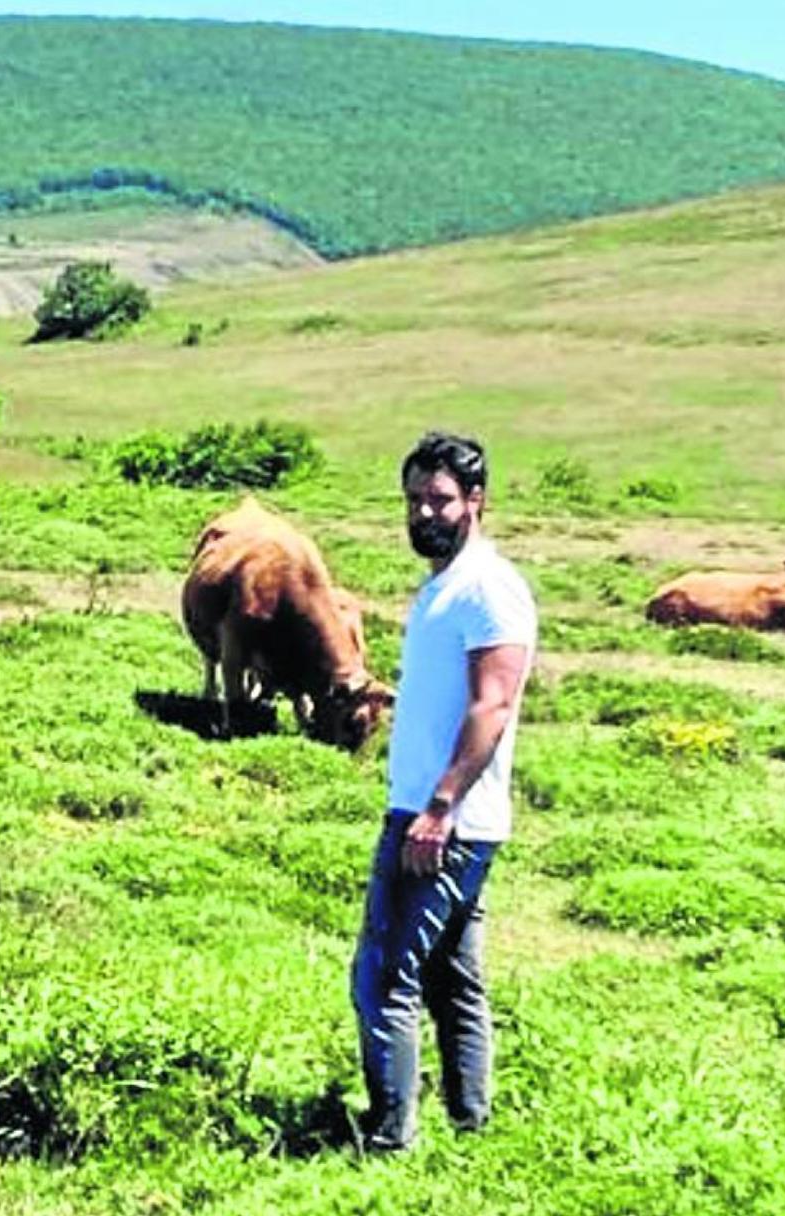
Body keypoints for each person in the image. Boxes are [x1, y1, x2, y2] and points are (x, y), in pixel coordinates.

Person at [351, 430, 537, 1153]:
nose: (424, 513)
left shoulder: (490, 588)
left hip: (444, 822)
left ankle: (389, 1138)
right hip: (443, 814)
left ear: (476, 502)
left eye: (440, 499)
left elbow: (494, 704)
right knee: (453, 980)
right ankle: (471, 1129)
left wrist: (438, 806)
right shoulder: (447, 585)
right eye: (414, 500)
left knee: (385, 976)